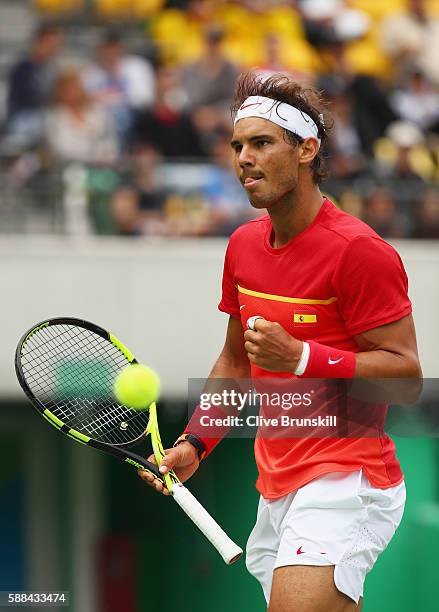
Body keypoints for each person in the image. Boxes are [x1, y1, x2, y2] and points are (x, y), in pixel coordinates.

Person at [139, 72, 422, 611]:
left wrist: (303, 356)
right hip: (275, 482)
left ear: (306, 150)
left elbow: (405, 375)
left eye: (262, 143)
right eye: (238, 146)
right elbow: (234, 360)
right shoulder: (243, 245)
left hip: (348, 478)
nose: (244, 158)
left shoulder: (359, 250)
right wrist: (196, 443)